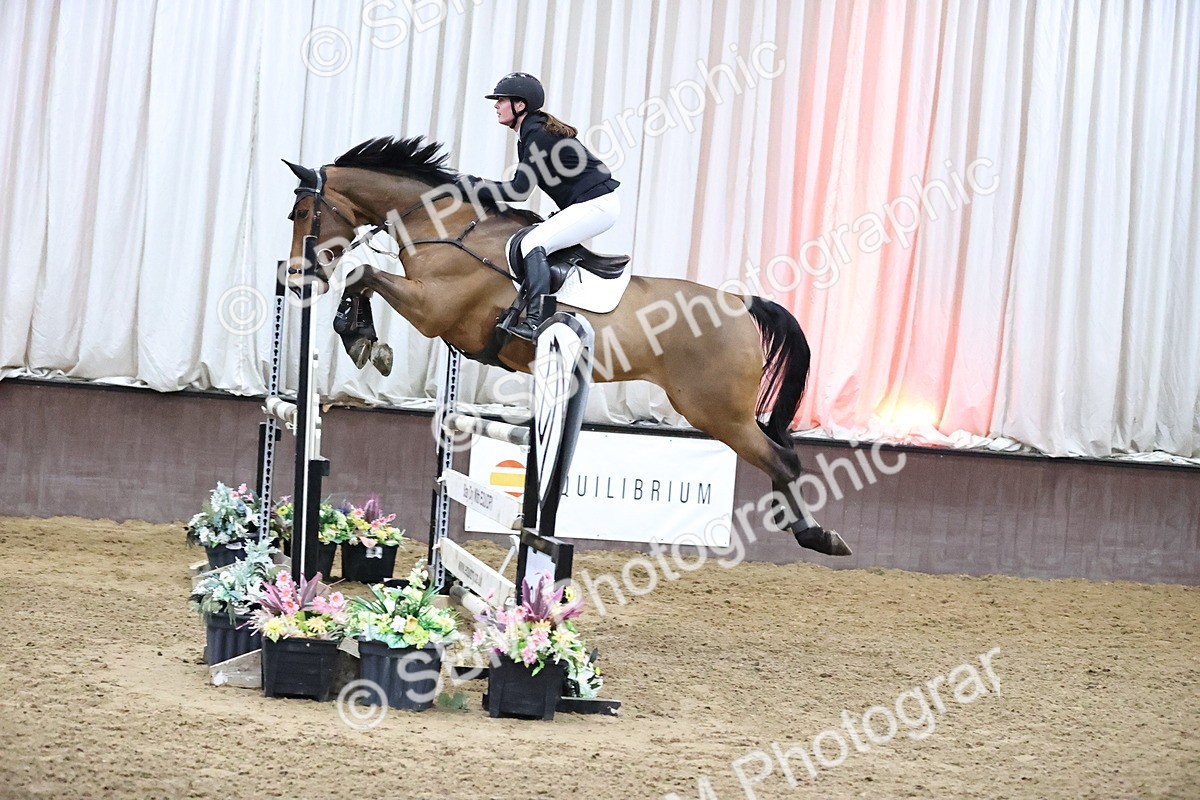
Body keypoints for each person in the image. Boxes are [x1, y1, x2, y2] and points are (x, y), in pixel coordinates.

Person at [457, 72, 620, 339]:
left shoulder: (537, 135)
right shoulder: (532, 131)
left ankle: (536, 322)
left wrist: (473, 185)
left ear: (520, 105)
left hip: (597, 205)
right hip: (589, 204)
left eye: (501, 100)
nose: (496, 105)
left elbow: (520, 190)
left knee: (533, 243)